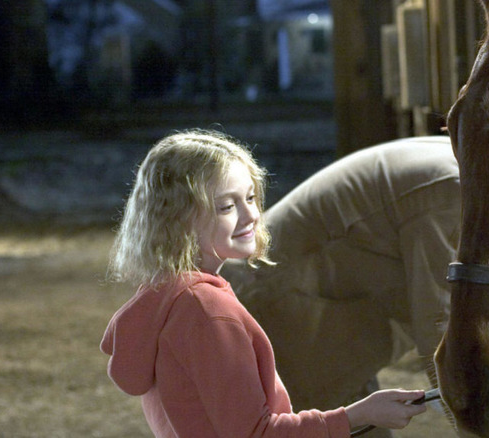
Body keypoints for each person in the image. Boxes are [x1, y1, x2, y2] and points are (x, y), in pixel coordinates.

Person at [100, 129, 427, 438]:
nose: (251, 214)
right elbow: (257, 434)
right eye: (227, 206)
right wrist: (360, 415)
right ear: (177, 220)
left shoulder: (165, 295)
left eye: (251, 197)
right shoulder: (207, 311)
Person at [221, 135, 460, 428]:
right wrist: (480, 423)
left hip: (316, 307)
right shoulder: (452, 191)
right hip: (288, 305)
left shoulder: (460, 163)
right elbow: (438, 323)